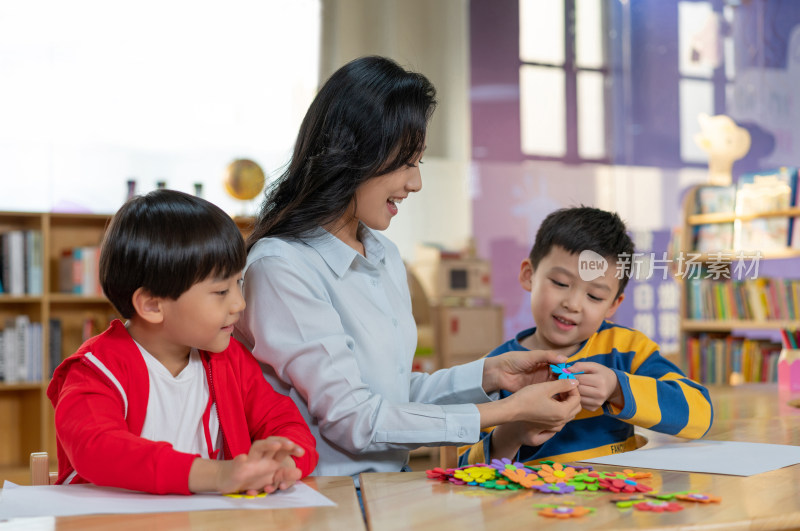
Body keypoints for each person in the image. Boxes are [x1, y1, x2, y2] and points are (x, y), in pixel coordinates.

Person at [234, 55, 582, 481]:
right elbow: (354, 420)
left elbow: (394, 396)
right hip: (325, 501)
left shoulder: (382, 254)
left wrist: (492, 375)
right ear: (353, 153)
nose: (415, 182)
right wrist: (507, 411)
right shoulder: (280, 267)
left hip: (387, 492)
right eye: (406, 162)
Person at [47, 190, 318, 495]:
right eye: (220, 292)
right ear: (152, 305)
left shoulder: (230, 359)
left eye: (238, 284)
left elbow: (283, 420)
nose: (239, 304)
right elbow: (96, 448)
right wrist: (217, 475)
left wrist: (285, 459)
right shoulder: (93, 371)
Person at [458, 206, 714, 467]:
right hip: (528, 504)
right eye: (560, 283)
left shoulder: (626, 349)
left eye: (595, 296)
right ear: (529, 275)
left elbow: (700, 415)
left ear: (613, 304)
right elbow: (464, 467)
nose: (573, 304)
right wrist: (511, 434)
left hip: (614, 502)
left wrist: (618, 389)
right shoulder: (496, 369)